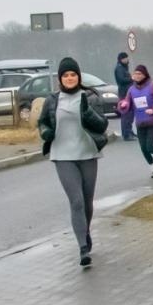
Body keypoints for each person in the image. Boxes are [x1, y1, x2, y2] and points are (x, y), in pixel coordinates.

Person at [38, 57, 108, 267]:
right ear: (60, 78)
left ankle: (85, 231)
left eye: (73, 74)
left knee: (87, 202)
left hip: (87, 153)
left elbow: (101, 125)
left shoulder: (91, 97)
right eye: (65, 75)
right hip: (62, 156)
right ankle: (82, 248)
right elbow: (42, 123)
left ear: (79, 76)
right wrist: (46, 132)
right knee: (76, 201)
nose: (69, 78)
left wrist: (87, 113)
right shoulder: (52, 100)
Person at [122, 65, 153, 178]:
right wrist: (123, 104)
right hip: (140, 122)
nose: (137, 76)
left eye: (139, 74)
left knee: (150, 147)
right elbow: (127, 104)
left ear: (145, 75)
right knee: (143, 148)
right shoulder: (131, 90)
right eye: (135, 74)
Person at [114, 51, 135, 142]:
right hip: (124, 94)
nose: (127, 59)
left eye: (127, 58)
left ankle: (130, 131)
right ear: (121, 59)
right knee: (126, 114)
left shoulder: (124, 67)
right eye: (125, 58)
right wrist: (132, 79)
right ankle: (126, 134)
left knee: (130, 114)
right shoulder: (119, 68)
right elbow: (121, 80)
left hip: (128, 93)